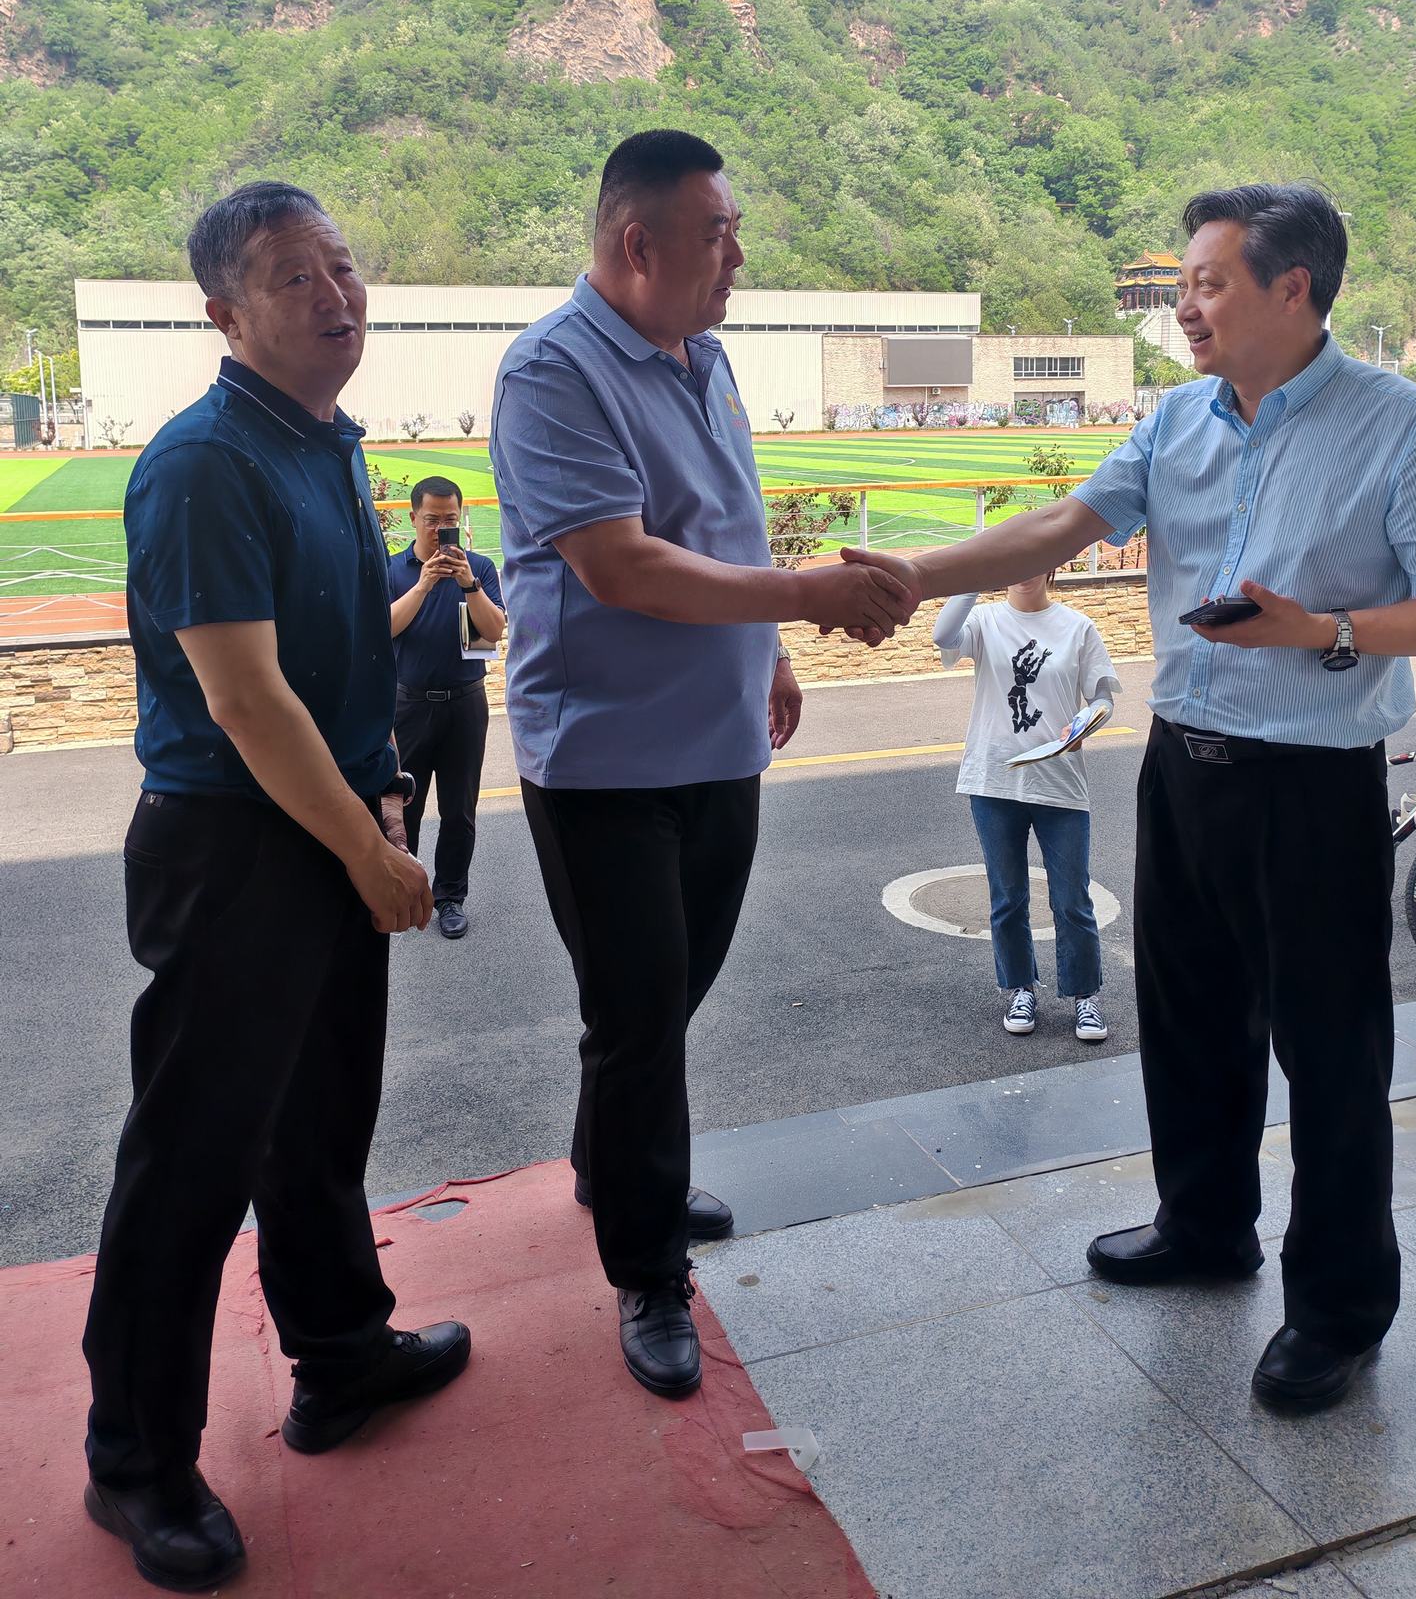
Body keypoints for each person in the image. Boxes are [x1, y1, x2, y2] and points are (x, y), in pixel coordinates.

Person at [846, 182, 1416, 1413]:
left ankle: (1338, 1309)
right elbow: (1064, 522)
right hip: (1183, 764)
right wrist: (914, 570)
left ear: (1292, 287)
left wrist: (1324, 630)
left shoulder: (1405, 426)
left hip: (1309, 781)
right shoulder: (1179, 418)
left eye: (1208, 283)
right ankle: (1204, 1225)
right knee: (1192, 1016)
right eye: (1184, 285)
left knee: (1331, 1051)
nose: (1186, 307)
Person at [83, 183, 471, 1592]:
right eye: (295, 276)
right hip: (233, 846)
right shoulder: (204, 462)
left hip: (331, 819)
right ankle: (135, 1462)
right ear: (225, 312)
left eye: (344, 267)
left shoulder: (328, 443)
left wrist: (380, 799)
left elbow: (344, 657)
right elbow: (245, 699)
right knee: (190, 1163)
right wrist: (367, 849)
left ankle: (341, 1353)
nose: (335, 295)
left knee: (319, 1125)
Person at [490, 129, 915, 1400]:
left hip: (719, 740)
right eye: (718, 233)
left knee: (667, 997)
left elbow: (725, 519)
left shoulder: (706, 356)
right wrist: (811, 594)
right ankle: (646, 1264)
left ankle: (611, 1162)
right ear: (639, 243)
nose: (737, 255)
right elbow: (621, 564)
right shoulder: (552, 372)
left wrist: (770, 643)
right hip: (606, 759)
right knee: (638, 1017)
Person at [933, 569, 1118, 1042]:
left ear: (1050, 565)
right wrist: (978, 570)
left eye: (1031, 559)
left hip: (1059, 780)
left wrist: (1087, 721)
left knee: (1072, 898)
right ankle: (1020, 988)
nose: (1021, 570)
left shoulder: (1077, 627)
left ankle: (1085, 995)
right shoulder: (986, 620)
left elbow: (1102, 696)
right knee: (1007, 897)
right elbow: (943, 636)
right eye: (1012, 560)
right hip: (993, 780)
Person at [388, 476, 506, 940]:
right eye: (432, 520)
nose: (441, 529)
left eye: (450, 520)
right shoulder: (393, 570)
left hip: (465, 704)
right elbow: (382, 629)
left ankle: (450, 897)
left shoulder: (479, 568)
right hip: (409, 704)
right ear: (413, 518)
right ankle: (405, 890)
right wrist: (423, 585)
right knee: (404, 805)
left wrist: (468, 584)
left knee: (460, 809)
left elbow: (493, 631)